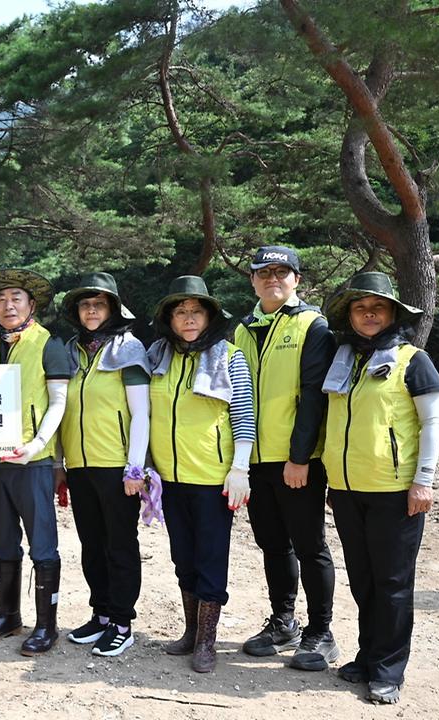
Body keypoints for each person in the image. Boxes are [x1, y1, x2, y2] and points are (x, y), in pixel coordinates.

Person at [321, 272, 439, 705]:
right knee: (363, 580)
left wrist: (423, 481)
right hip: (347, 489)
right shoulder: (345, 361)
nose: (369, 314)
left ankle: (389, 670)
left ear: (393, 314)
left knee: (392, 582)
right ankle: (368, 656)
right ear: (350, 316)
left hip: (395, 492)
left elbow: (433, 423)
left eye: (378, 307)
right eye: (360, 307)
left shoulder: (413, 360)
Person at [233, 246, 339, 670]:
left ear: (297, 279)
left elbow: (314, 396)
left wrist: (300, 457)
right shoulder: (243, 329)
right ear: (253, 280)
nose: (272, 278)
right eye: (264, 272)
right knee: (273, 544)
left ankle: (321, 631)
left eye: (281, 272)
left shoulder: (313, 325)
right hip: (254, 459)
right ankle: (283, 621)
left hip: (296, 461)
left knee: (310, 545)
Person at [147, 275, 254, 673]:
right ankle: (191, 631)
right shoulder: (157, 356)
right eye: (180, 311)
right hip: (169, 479)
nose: (189, 318)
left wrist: (239, 468)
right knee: (183, 558)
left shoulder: (229, 357)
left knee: (210, 559)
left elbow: (244, 415)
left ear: (209, 317)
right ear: (170, 319)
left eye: (196, 311)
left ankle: (208, 640)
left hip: (212, 479)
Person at [0, 269, 71, 655]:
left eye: (16, 298)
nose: (8, 305)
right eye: (0, 300)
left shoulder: (49, 343)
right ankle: (7, 615)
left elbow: (58, 401)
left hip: (33, 460)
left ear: (31, 305)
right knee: (0, 539)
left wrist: (38, 443)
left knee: (42, 543)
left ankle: (47, 625)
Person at [56, 272, 150, 658]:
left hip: (116, 467)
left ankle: (122, 622)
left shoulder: (129, 349)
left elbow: (141, 413)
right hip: (79, 465)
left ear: (113, 308)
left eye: (99, 304)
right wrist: (60, 462)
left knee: (120, 545)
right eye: (85, 304)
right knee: (91, 544)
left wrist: (135, 467)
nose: (91, 311)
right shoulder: (71, 351)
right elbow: (59, 409)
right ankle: (101, 614)